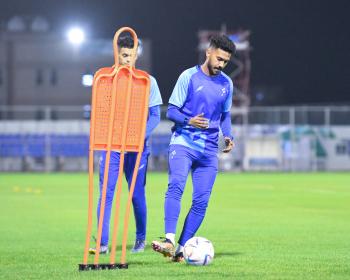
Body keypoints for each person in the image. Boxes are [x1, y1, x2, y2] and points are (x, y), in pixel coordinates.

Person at [151, 34, 235, 261]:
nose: (221, 64)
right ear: (208, 52)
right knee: (176, 185)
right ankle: (169, 239)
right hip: (184, 142)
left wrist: (228, 135)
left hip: (208, 151)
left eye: (225, 62)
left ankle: (179, 249)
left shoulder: (227, 83)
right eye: (218, 58)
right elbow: (171, 112)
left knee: (201, 201)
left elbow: (225, 114)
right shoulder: (188, 77)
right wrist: (189, 120)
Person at [89, 36, 163, 254]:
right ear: (116, 54)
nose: (127, 60)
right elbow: (102, 113)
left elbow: (156, 116)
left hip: (137, 149)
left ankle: (140, 239)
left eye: (130, 55)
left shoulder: (148, 81)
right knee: (106, 193)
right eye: (123, 55)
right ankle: (102, 243)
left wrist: (138, 135)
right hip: (112, 147)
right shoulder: (106, 79)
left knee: (136, 194)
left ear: (137, 54)